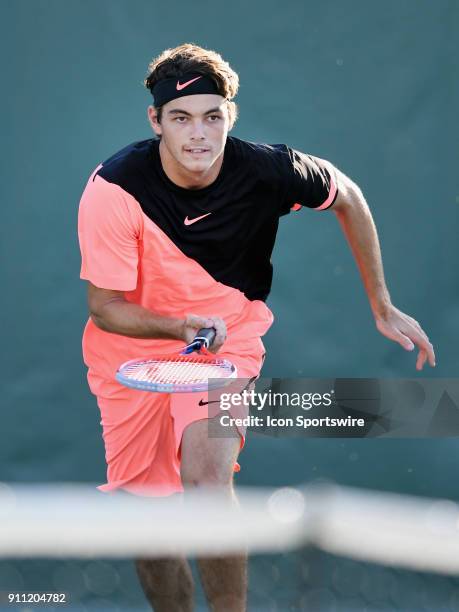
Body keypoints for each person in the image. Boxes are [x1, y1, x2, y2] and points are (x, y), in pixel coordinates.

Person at [77, 43, 436, 612]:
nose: (199, 134)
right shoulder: (114, 190)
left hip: (229, 343)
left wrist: (382, 303)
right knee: (148, 523)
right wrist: (180, 325)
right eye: (181, 118)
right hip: (130, 357)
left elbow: (347, 195)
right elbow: (105, 307)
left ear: (230, 117)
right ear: (156, 121)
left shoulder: (269, 168)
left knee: (206, 478)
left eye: (212, 116)